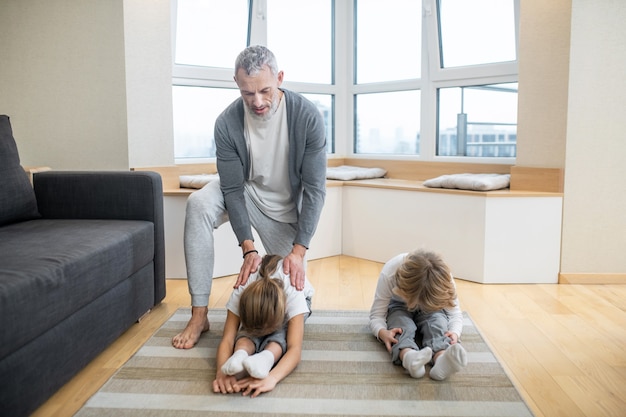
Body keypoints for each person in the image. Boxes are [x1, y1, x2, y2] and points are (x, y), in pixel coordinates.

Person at [172, 45, 327, 349]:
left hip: (282, 211)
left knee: (297, 295)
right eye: (247, 93)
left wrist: (298, 250)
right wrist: (248, 248)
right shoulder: (227, 123)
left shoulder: (307, 116)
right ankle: (199, 314)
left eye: (265, 91)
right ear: (236, 83)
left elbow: (315, 190)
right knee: (199, 203)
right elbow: (231, 189)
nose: (257, 102)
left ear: (279, 78)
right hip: (244, 192)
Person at [212, 254, 314, 397]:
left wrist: (272, 378)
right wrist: (222, 371)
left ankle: (266, 357)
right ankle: (239, 355)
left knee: (282, 333)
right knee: (247, 332)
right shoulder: (242, 287)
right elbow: (227, 338)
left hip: (296, 297)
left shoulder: (293, 294)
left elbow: (294, 348)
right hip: (265, 301)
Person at [369, 249, 468, 380]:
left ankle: (441, 359)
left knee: (437, 323)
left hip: (432, 308)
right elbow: (377, 315)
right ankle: (409, 356)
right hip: (399, 306)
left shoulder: (443, 280)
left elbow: (454, 314)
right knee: (400, 325)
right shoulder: (390, 274)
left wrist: (454, 333)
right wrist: (382, 332)